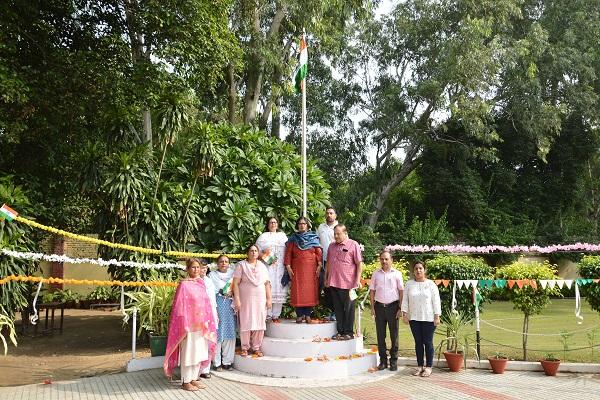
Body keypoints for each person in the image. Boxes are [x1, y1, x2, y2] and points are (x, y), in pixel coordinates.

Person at [164, 258, 217, 391]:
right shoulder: (184, 285)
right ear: (187, 269)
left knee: (198, 353)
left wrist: (208, 321)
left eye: (198, 267)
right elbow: (179, 307)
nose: (196, 270)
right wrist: (184, 327)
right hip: (188, 326)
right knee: (189, 353)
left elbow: (206, 305)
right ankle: (185, 381)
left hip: (201, 325)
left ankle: (194, 378)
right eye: (193, 267)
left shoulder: (201, 283)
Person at [401, 261, 441, 378]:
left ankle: (428, 367)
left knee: (428, 342)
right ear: (413, 271)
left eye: (420, 268)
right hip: (414, 318)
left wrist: (437, 315)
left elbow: (436, 300)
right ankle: (420, 366)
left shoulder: (431, 284)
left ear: (424, 270)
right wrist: (405, 313)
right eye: (416, 269)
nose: (418, 271)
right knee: (418, 343)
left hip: (429, 318)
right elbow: (405, 300)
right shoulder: (409, 284)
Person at [233, 244, 272, 357]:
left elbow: (267, 283)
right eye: (251, 251)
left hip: (260, 299)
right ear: (247, 253)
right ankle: (245, 347)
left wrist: (269, 299)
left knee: (259, 323)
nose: (254, 253)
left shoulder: (262, 266)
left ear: (258, 253)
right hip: (245, 299)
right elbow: (235, 283)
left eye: (256, 251)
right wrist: (237, 299)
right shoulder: (241, 265)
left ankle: (256, 347)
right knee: (246, 322)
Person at [325, 224, 362, 340]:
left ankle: (348, 333)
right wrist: (326, 278)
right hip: (334, 282)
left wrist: (357, 280)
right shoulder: (331, 246)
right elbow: (329, 264)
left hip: (348, 284)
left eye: (338, 234)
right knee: (338, 309)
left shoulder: (353, 244)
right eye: (334, 234)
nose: (336, 236)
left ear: (345, 233)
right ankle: (340, 332)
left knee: (349, 309)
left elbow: (359, 264)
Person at [369, 251, 404, 371]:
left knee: (394, 336)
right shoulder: (375, 274)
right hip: (379, 307)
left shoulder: (397, 274)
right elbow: (372, 291)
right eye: (382, 259)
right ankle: (383, 361)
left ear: (391, 260)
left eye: (386, 259)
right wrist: (372, 307)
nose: (384, 261)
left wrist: (400, 308)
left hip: (393, 307)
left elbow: (401, 291)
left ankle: (393, 361)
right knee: (380, 336)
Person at [284, 216, 322, 323]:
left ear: (307, 225)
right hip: (297, 269)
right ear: (297, 226)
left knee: (310, 291)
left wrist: (319, 265)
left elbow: (318, 252)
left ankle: (308, 315)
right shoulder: (293, 239)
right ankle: (300, 315)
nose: (302, 225)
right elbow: (288, 254)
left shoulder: (313, 237)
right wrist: (288, 266)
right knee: (298, 291)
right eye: (300, 224)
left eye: (304, 224)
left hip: (311, 269)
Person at [255, 216, 288, 322]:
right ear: (268, 224)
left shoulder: (283, 236)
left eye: (275, 222)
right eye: (271, 222)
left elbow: (289, 250)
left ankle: (276, 315)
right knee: (268, 289)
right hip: (268, 267)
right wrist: (267, 258)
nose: (273, 224)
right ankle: (268, 315)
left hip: (281, 268)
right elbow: (256, 251)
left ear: (277, 224)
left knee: (280, 288)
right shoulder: (263, 236)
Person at [209, 254, 236, 371]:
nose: (223, 263)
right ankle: (216, 363)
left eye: (226, 261)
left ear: (229, 263)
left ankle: (227, 362)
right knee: (218, 334)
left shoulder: (234, 275)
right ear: (217, 263)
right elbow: (210, 291)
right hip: (217, 305)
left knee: (229, 333)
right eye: (221, 261)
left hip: (230, 306)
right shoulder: (212, 275)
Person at [317, 206, 338, 320]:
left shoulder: (339, 227)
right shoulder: (321, 227)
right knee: (326, 287)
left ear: (335, 215)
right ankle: (330, 311)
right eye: (327, 213)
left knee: (335, 287)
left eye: (331, 213)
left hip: (336, 263)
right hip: (324, 261)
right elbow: (317, 242)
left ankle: (336, 312)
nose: (329, 215)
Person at [198, 259, 217, 379]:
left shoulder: (209, 281)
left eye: (205, 268)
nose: (203, 270)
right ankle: (197, 370)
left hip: (212, 314)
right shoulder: (195, 281)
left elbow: (213, 300)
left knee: (210, 342)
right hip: (200, 316)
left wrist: (216, 316)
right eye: (201, 268)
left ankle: (206, 369)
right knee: (200, 342)